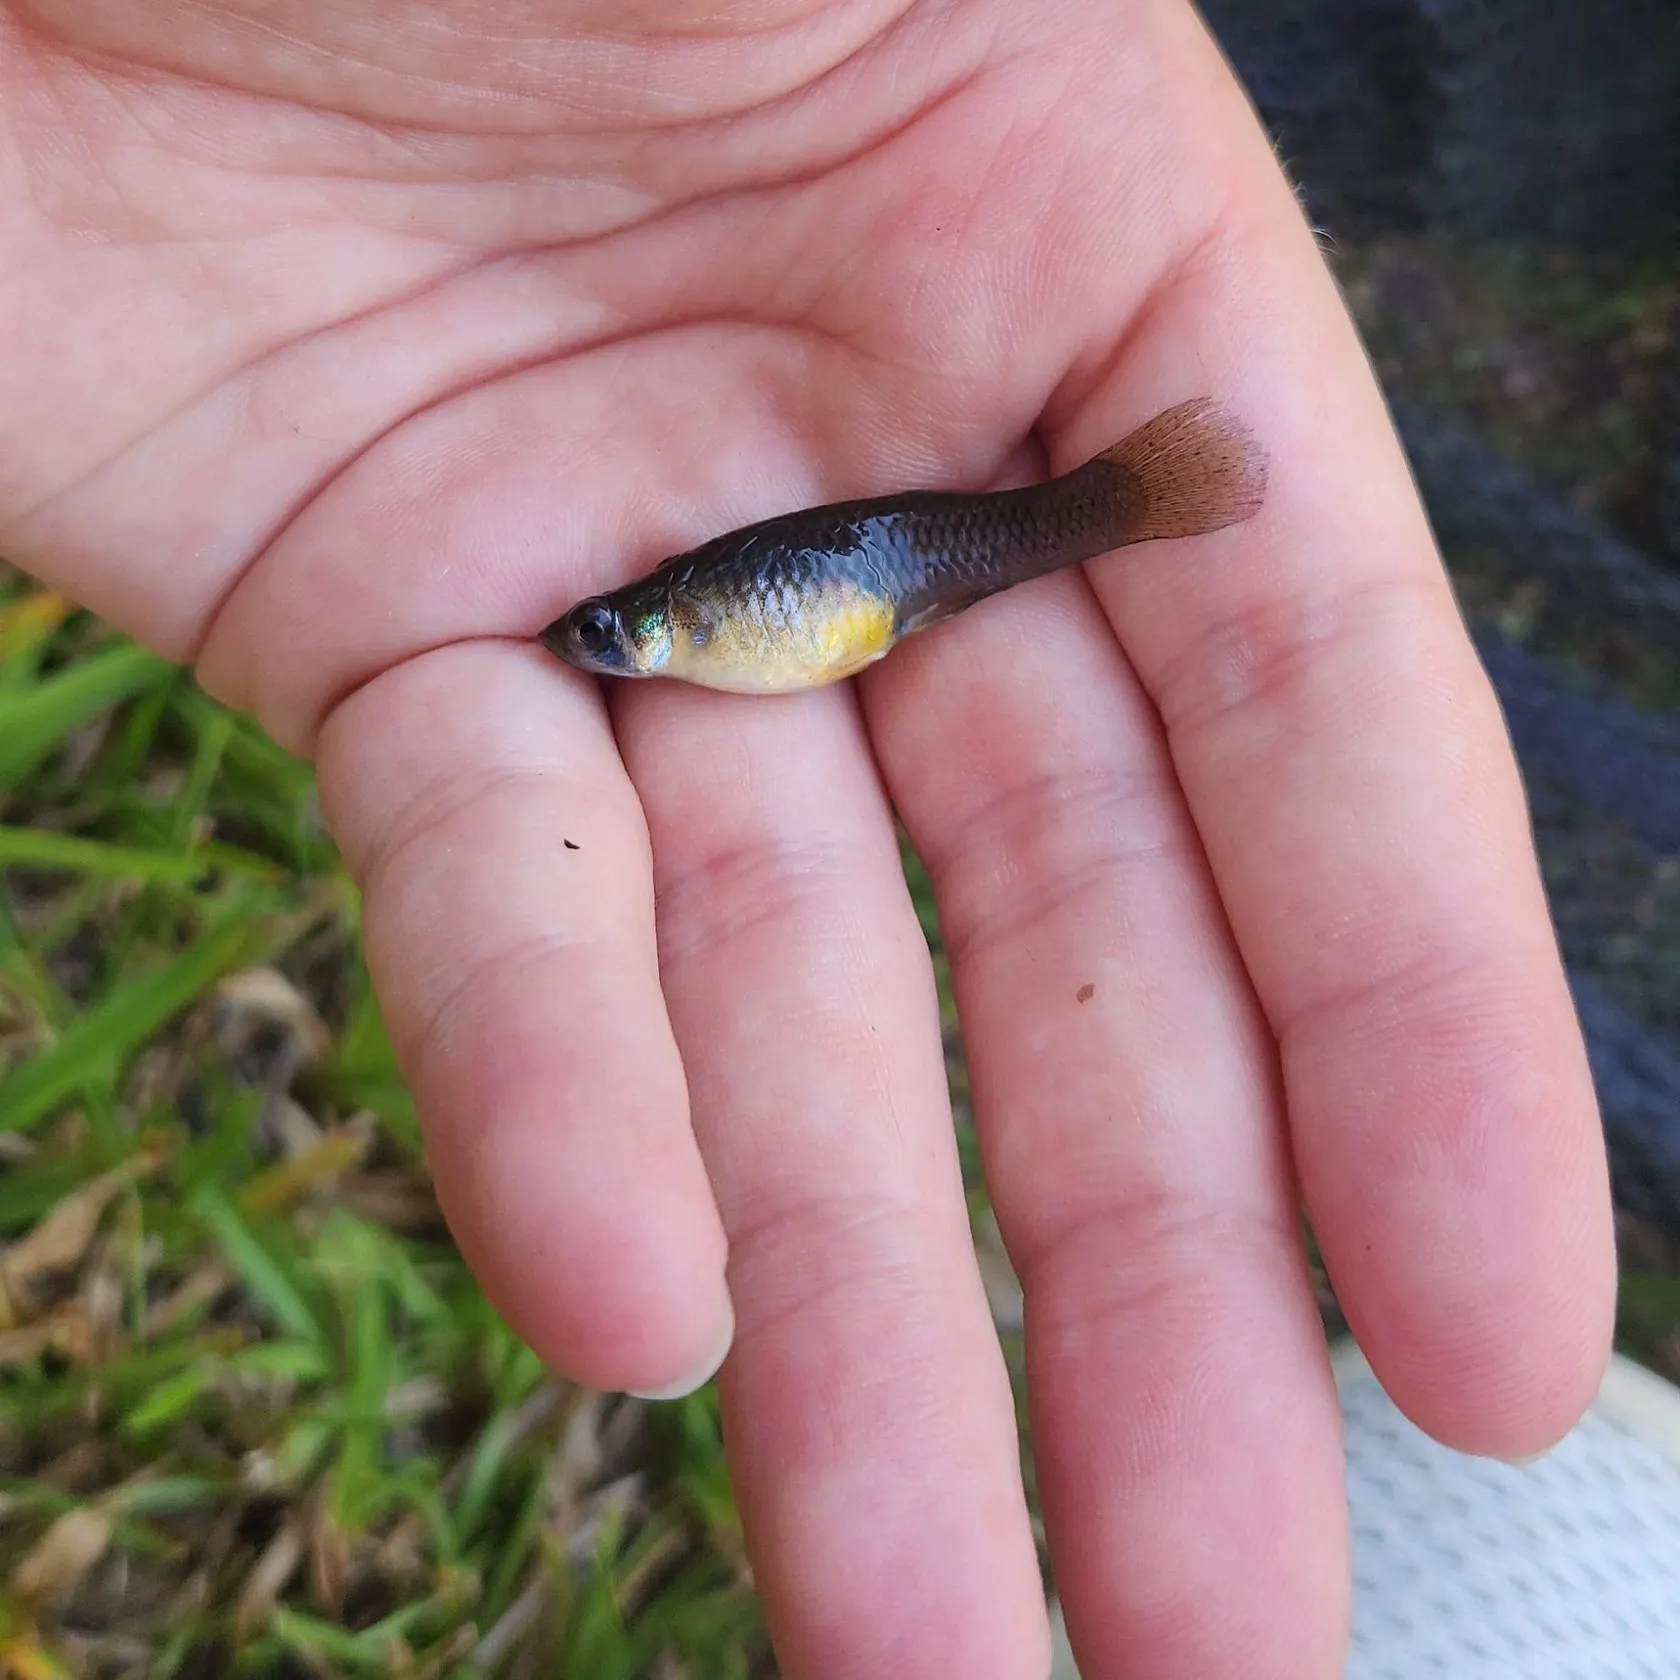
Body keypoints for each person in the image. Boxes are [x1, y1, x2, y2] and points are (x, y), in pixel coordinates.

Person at [0, 3, 1616, 1674]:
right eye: (614, 637)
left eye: (617, 634)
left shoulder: (720, 606)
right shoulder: (691, 615)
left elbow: (816, 604)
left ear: (659, 620)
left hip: (888, 574)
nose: (610, 646)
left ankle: (1130, 497)